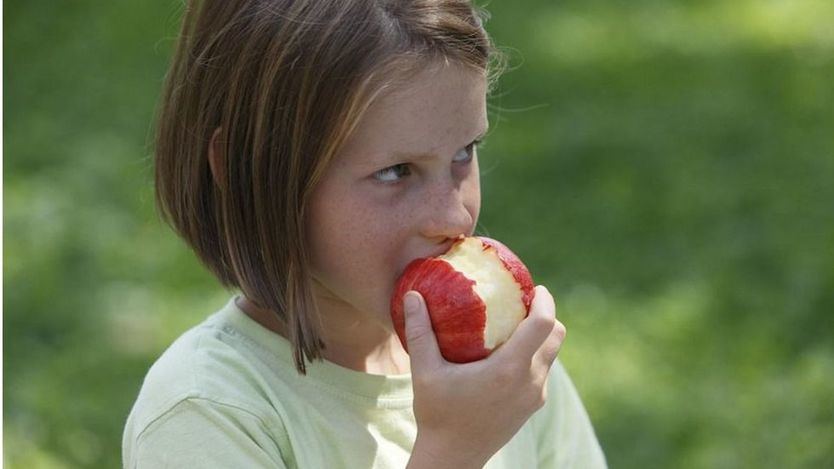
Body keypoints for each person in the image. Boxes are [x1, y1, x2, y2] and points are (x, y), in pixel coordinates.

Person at [122, 0, 607, 467]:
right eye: (396, 171)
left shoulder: (502, 365)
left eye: (464, 151)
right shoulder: (209, 411)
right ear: (249, 168)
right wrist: (453, 453)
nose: (454, 217)